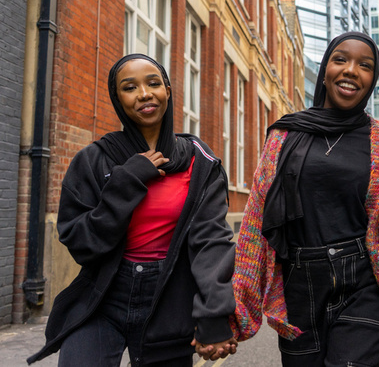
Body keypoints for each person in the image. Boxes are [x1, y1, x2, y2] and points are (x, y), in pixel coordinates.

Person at [28, 54, 237, 366]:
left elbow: (211, 242)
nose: (144, 94)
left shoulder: (200, 162)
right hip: (104, 296)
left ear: (167, 90)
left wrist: (215, 312)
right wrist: (126, 182)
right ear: (117, 98)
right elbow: (81, 243)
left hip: (170, 298)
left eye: (153, 83)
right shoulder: (94, 160)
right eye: (129, 87)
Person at [230, 32, 379, 366]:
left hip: (365, 284)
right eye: (340, 59)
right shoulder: (285, 135)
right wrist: (234, 314)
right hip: (299, 288)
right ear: (324, 71)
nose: (351, 70)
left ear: (372, 80)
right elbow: (255, 225)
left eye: (365, 65)